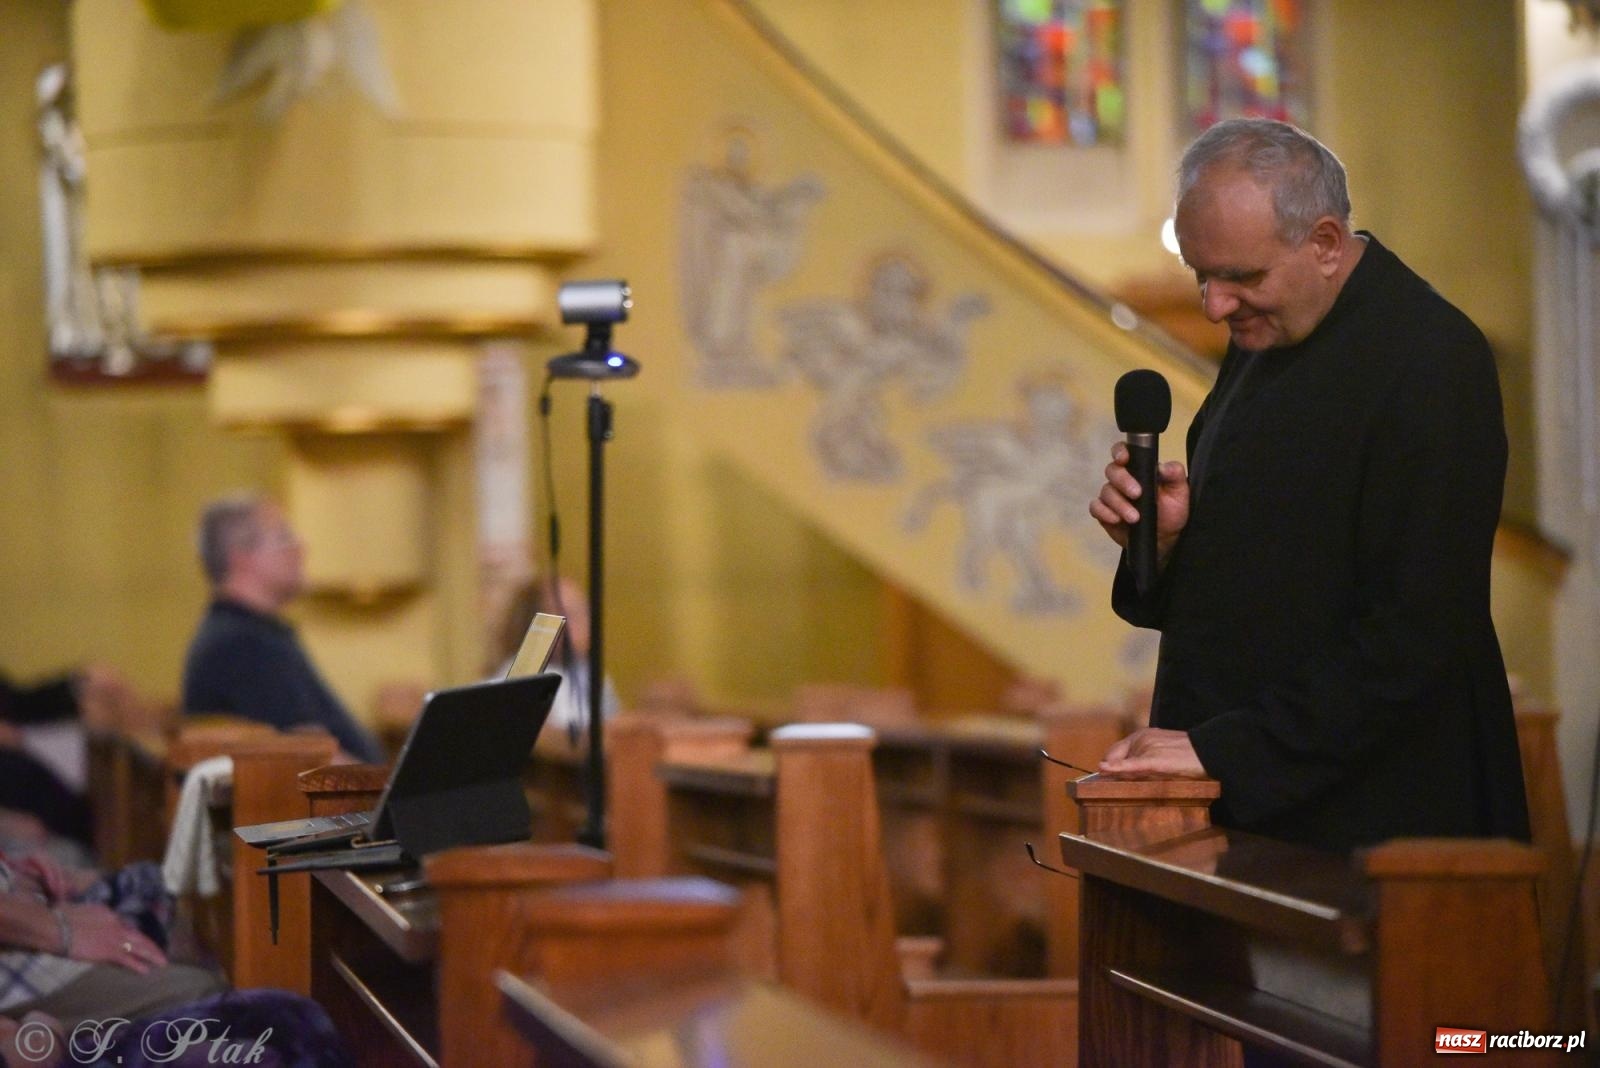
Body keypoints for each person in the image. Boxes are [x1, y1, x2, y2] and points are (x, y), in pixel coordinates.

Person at [1088, 119, 1529, 852]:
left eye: (1242, 277)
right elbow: (1279, 585)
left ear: (1325, 243)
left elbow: (1418, 631)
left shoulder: (1431, 360)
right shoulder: (1271, 336)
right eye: (1202, 276)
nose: (1214, 308)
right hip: (1254, 804)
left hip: (1380, 827)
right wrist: (1168, 550)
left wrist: (1230, 750)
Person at [180, 495, 384, 764]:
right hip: (327, 803)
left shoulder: (254, 634)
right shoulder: (241, 645)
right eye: (284, 538)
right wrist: (386, 794)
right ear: (242, 558)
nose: (301, 546)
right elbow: (304, 755)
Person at [491, 576, 619, 739]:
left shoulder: (587, 672)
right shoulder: (522, 676)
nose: (584, 622)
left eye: (583, 611)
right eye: (568, 615)